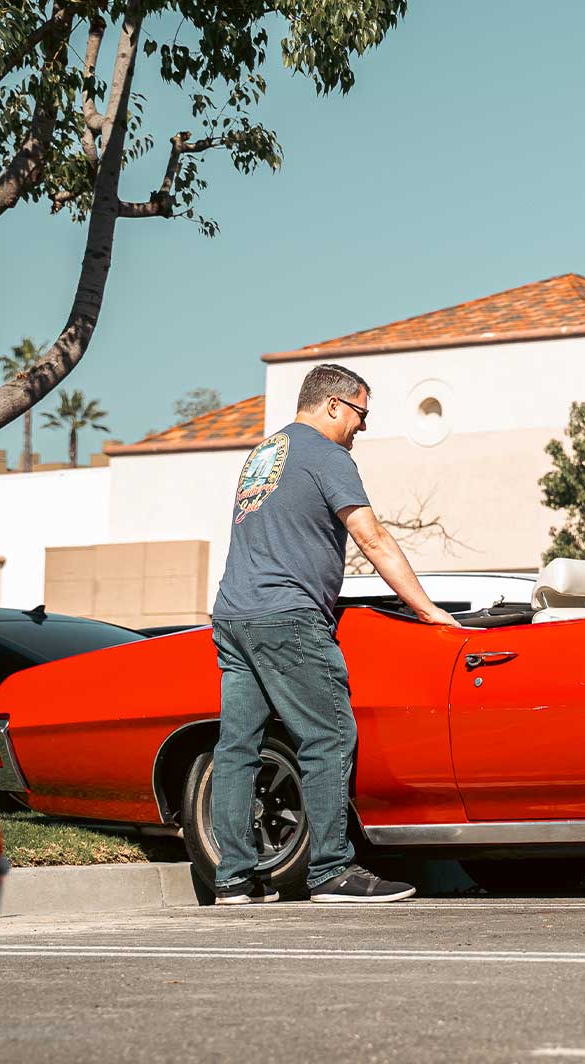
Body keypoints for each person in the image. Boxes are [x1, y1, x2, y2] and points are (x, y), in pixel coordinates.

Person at [209, 362, 459, 905]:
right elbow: (372, 537)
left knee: (237, 746)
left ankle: (233, 879)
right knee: (328, 736)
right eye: (360, 414)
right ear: (332, 405)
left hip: (233, 614)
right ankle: (330, 871)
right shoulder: (326, 454)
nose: (362, 426)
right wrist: (426, 609)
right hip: (287, 617)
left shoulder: (265, 454)